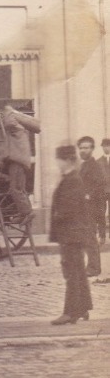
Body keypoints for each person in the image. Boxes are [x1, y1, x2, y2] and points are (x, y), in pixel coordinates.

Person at [49, 143, 94, 325]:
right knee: (78, 271)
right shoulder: (70, 177)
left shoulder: (72, 179)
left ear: (67, 160)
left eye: (59, 160)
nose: (57, 163)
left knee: (72, 272)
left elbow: (69, 208)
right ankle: (83, 308)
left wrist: (58, 217)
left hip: (71, 233)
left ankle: (70, 312)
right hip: (73, 233)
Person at [0, 104, 41, 222]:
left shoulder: (10, 117)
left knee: (16, 188)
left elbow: (10, 125)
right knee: (19, 187)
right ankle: (23, 213)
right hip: (18, 158)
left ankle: (27, 212)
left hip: (17, 159)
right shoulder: (13, 119)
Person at [77, 136, 106, 281]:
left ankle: (94, 268)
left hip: (92, 207)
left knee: (90, 238)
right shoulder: (83, 166)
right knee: (84, 237)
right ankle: (89, 266)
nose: (83, 150)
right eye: (81, 148)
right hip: (82, 207)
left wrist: (88, 195)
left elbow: (100, 185)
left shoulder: (94, 166)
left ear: (92, 149)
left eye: (86, 147)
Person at [97, 137, 110, 245]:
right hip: (101, 191)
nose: (106, 148)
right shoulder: (98, 161)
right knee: (100, 213)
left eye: (108, 145)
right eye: (104, 146)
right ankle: (102, 236)